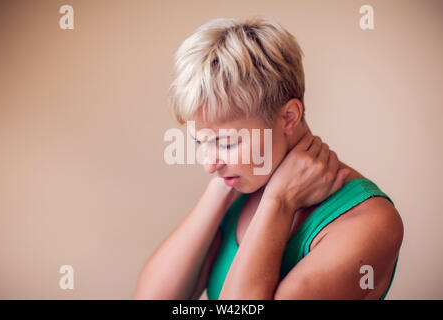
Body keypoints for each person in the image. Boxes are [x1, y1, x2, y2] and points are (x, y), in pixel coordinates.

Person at [134, 17, 403, 300]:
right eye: (200, 142)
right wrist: (218, 193)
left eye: (226, 143)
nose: (208, 165)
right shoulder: (239, 188)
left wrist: (279, 202)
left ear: (288, 117)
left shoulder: (370, 220)